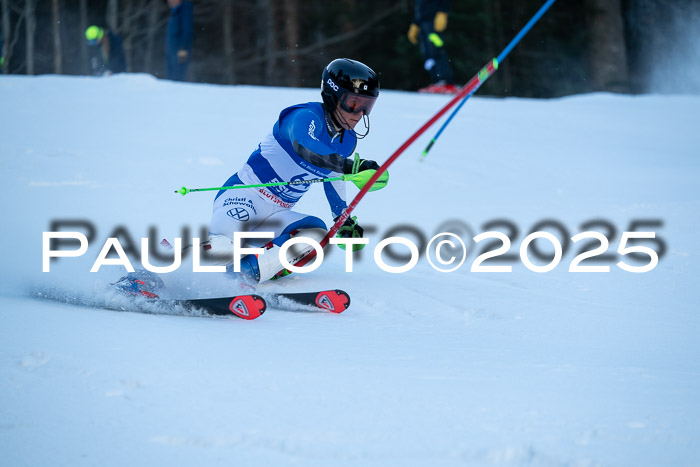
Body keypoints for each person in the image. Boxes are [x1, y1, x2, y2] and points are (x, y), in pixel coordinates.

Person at [116, 58, 387, 297]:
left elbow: (333, 174)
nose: (359, 114)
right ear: (332, 96)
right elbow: (306, 150)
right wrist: (352, 167)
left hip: (276, 213)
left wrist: (343, 218)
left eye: (367, 106)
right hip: (245, 197)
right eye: (353, 103)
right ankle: (148, 276)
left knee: (314, 235)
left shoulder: (347, 140)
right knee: (224, 246)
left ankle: (241, 276)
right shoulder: (304, 117)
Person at [407, 0, 459, 94]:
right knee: (428, 54)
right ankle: (437, 81)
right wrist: (416, 23)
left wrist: (443, 12)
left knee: (436, 51)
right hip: (423, 23)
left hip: (434, 22)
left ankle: (447, 82)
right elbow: (421, 5)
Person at [166, 0, 193, 81]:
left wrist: (183, 48)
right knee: (171, 77)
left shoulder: (184, 10)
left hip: (179, 50)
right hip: (171, 50)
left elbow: (187, 30)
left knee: (178, 77)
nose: (169, 1)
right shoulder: (174, 11)